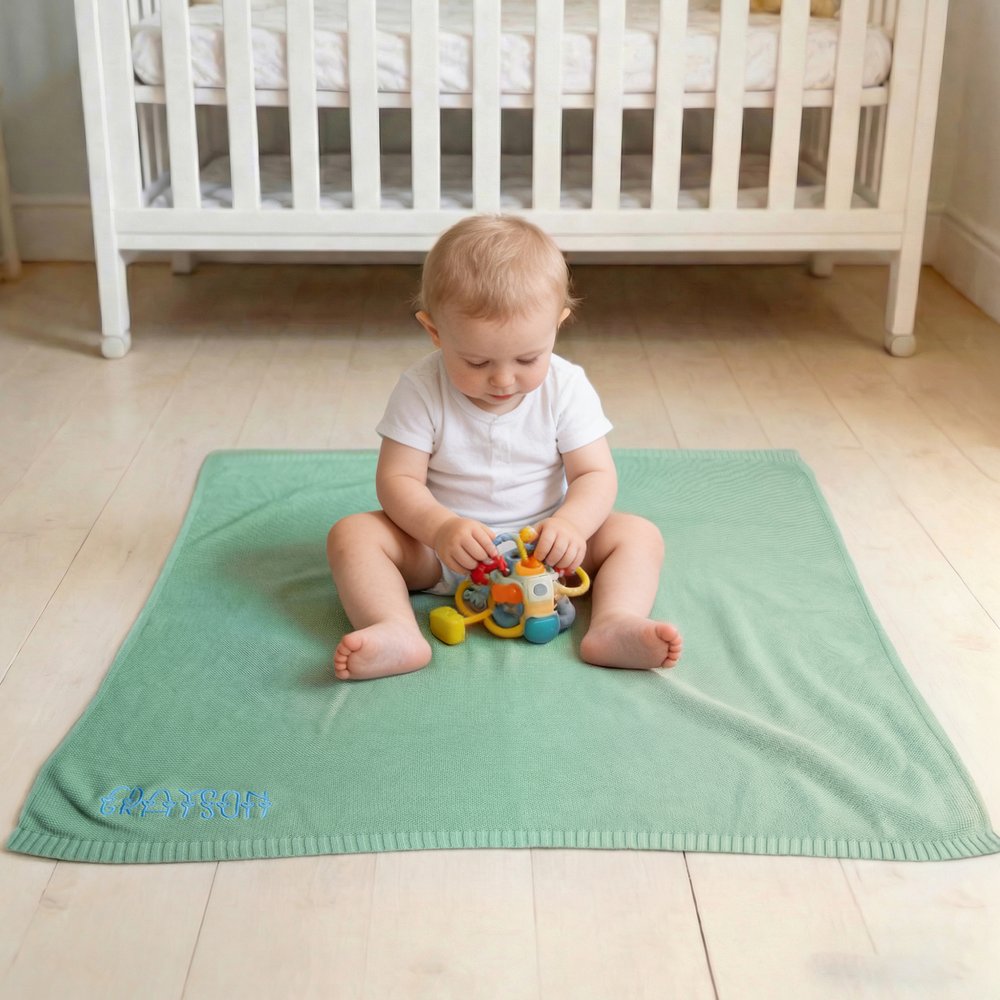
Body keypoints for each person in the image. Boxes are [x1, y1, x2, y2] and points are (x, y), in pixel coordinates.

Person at [326, 215, 683, 680]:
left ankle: (615, 623)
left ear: (557, 325)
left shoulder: (566, 386)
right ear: (435, 332)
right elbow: (397, 479)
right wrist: (440, 528)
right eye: (477, 361)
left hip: (549, 554)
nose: (503, 379)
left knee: (638, 535)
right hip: (443, 552)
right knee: (352, 535)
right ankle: (394, 628)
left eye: (528, 358)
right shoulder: (420, 389)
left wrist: (572, 526)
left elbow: (594, 474)